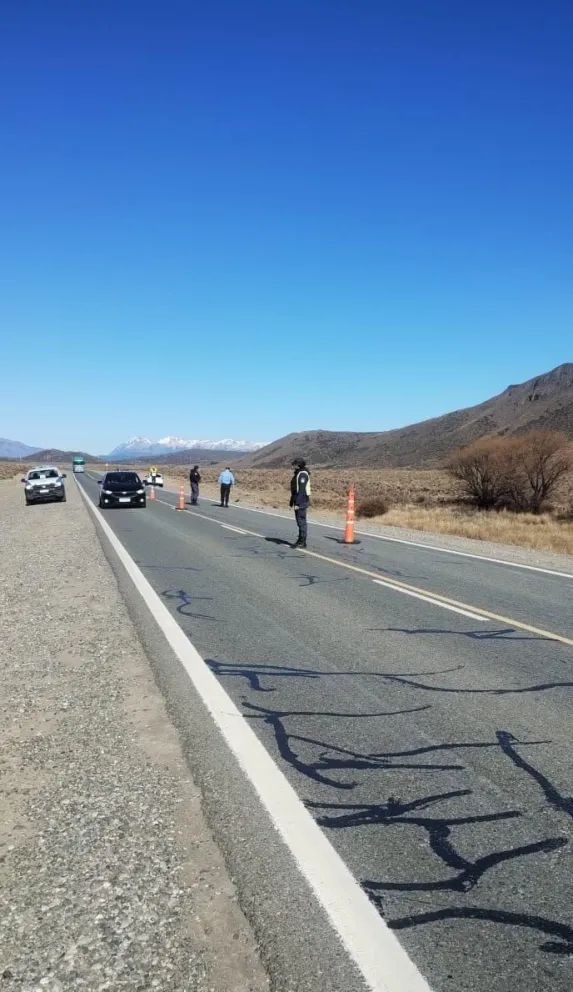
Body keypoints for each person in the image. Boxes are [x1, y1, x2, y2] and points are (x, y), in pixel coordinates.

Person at [289, 458, 311, 548]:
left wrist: (297, 503)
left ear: (298, 465)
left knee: (301, 521)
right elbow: (295, 489)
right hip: (298, 499)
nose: (293, 466)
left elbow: (301, 491)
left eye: (294, 464)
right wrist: (292, 500)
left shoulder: (302, 474)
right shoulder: (299, 473)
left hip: (301, 500)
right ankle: (301, 540)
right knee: (299, 521)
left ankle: (302, 541)